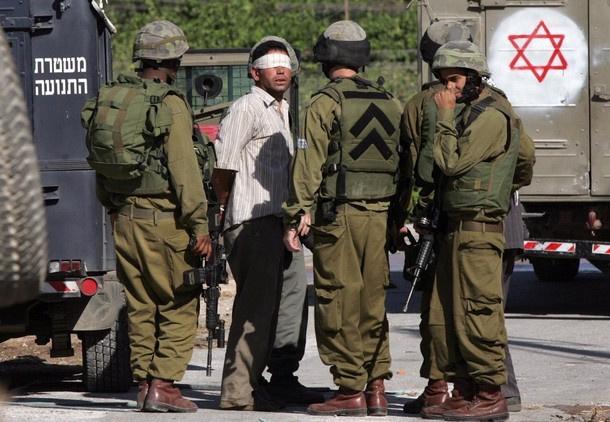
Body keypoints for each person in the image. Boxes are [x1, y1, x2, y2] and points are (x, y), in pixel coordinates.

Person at [402, 22, 533, 415]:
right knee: (446, 313)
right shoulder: (470, 111)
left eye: (455, 79)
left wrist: (494, 185)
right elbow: (524, 160)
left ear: (475, 76)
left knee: (478, 312)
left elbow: (450, 162)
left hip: (478, 227)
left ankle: (491, 395)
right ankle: (463, 390)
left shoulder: (491, 115)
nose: (449, 88)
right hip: (454, 226)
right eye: (444, 80)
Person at [283, 20, 410, 417]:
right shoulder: (390, 101)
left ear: (326, 57)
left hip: (338, 216)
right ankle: (376, 388)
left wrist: (297, 213)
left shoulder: (324, 103)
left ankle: (349, 389)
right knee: (373, 300)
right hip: (381, 215)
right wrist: (398, 216)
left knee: (338, 299)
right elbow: (405, 165)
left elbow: (308, 165)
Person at [83, 20, 211, 412]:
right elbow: (184, 171)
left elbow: (100, 163)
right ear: (173, 59)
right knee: (179, 300)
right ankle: (164, 385)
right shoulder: (170, 103)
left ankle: (144, 383)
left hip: (124, 217)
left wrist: (113, 208)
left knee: (139, 303)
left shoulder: (116, 98)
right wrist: (199, 225)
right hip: (166, 222)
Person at [213, 36, 302, 411]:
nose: (281, 71)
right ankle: (237, 392)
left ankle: (265, 383)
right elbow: (223, 166)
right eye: (271, 65)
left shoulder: (283, 110)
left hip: (279, 221)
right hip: (252, 221)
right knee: (255, 310)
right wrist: (223, 208)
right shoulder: (246, 108)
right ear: (254, 73)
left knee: (282, 309)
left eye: (286, 65)